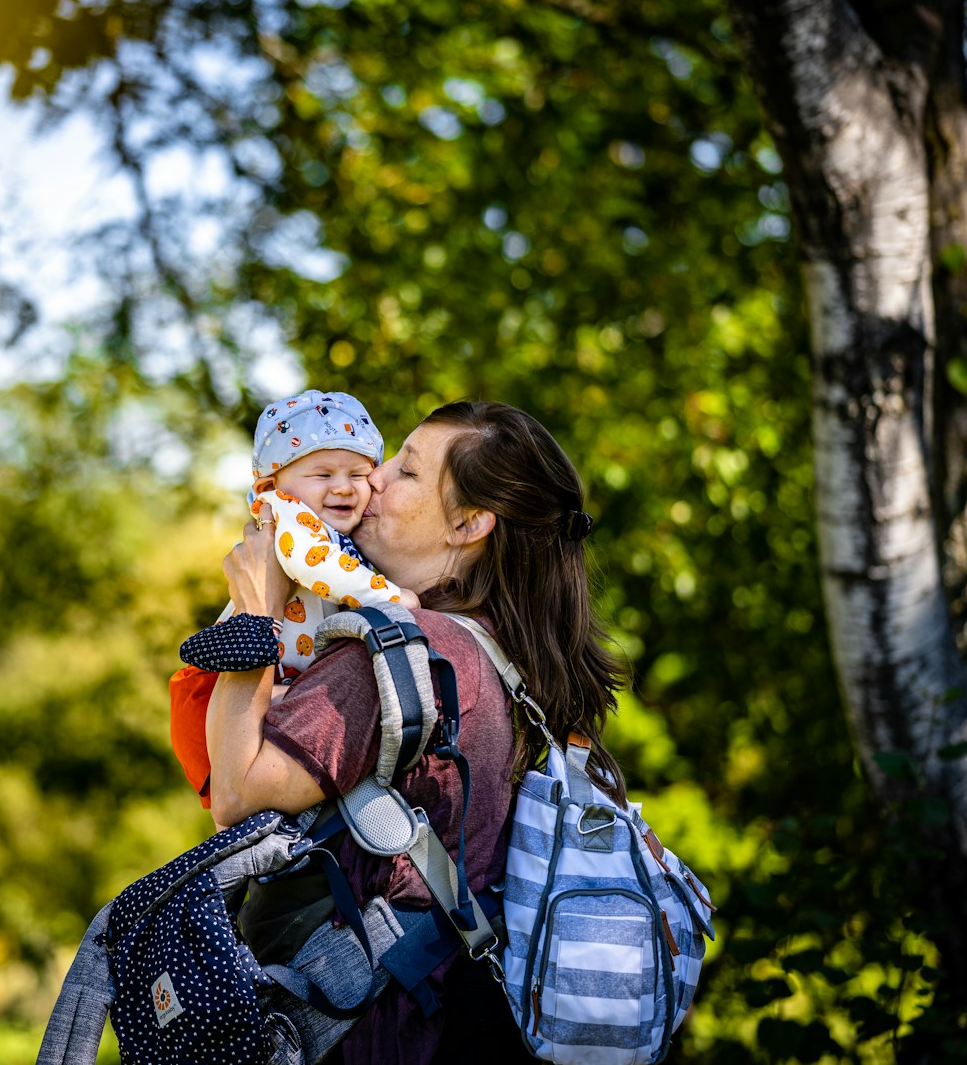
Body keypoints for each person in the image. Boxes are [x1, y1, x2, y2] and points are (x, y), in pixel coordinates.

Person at [207, 400, 630, 1064]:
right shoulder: (519, 665)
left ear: (469, 523)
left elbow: (237, 795)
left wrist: (254, 618)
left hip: (379, 1032)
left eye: (404, 470)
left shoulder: (399, 654)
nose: (371, 481)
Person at [170, 388, 416, 807]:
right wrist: (392, 597)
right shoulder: (286, 512)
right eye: (323, 475)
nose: (343, 488)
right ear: (271, 484)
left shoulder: (333, 528)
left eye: (358, 475)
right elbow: (314, 563)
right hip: (225, 684)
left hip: (276, 676)